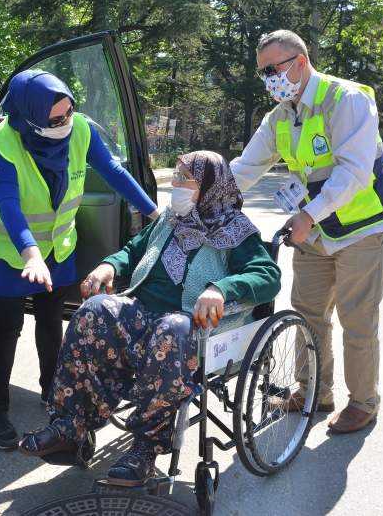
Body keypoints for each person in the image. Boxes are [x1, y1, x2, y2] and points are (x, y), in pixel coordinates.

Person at [18, 151, 281, 486]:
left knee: (171, 330)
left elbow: (268, 276)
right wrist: (109, 266)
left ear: (209, 187)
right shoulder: (169, 219)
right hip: (144, 312)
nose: (175, 184)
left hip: (189, 323)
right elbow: (132, 250)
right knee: (91, 312)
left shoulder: (236, 230)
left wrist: (222, 287)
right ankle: (70, 424)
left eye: (184, 178)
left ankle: (145, 447)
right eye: (177, 176)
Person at [228, 30, 383, 434]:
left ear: (300, 63)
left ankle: (364, 403)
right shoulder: (281, 116)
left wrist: (308, 215)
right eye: (262, 73)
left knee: (357, 319)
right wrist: (204, 193)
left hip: (365, 228)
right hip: (317, 231)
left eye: (273, 69)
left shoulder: (347, 99)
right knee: (308, 314)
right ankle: (314, 393)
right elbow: (245, 168)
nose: (268, 79)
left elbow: (354, 171)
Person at [0, 70, 159, 450]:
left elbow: (112, 171)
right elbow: (9, 204)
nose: (66, 123)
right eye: (55, 119)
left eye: (70, 112)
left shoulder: (80, 129)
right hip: (10, 251)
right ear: (30, 117)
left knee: (50, 319)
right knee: (6, 327)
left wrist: (153, 212)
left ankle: (53, 394)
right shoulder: (5, 143)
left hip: (58, 248)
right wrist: (30, 254)